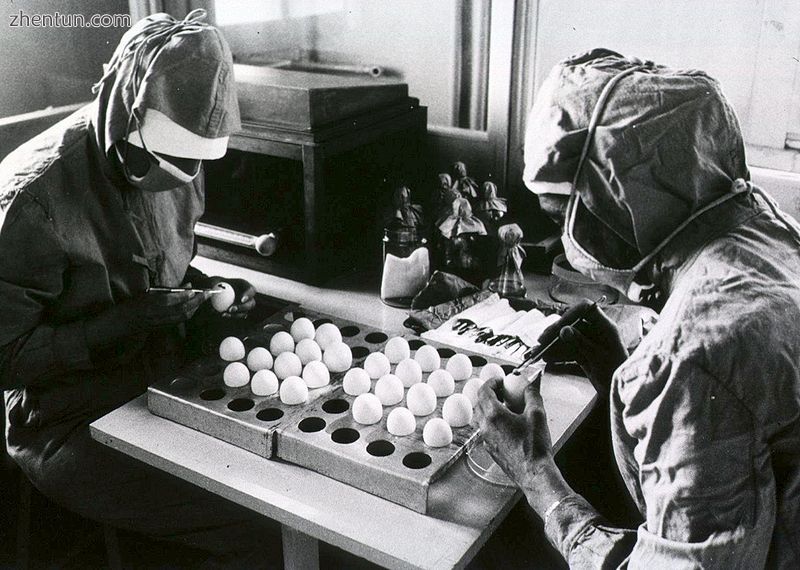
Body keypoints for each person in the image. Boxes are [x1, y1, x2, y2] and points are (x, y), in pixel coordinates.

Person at [475, 48, 800, 568]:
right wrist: (620, 366)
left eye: (569, 216)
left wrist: (538, 479)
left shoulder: (692, 357)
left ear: (621, 202)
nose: (566, 242)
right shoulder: (759, 224)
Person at [0, 10, 277, 566]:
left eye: (190, 166)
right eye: (162, 160)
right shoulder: (34, 201)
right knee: (262, 522)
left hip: (162, 376)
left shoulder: (181, 166)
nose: (175, 179)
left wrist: (209, 289)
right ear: (126, 112)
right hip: (72, 416)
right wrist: (116, 325)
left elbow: (161, 266)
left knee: (292, 488)